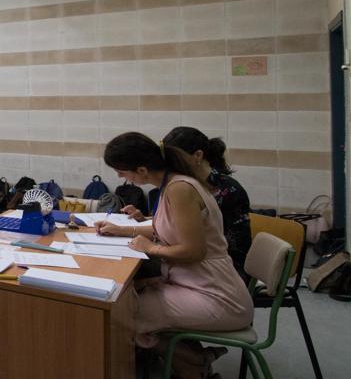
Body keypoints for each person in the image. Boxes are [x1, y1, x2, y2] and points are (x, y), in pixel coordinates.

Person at [95, 132, 253, 378]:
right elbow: (167, 227)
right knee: (130, 296)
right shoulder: (173, 184)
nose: (120, 178)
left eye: (122, 172)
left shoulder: (179, 189)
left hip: (216, 295)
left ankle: (193, 363)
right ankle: (194, 362)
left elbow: (194, 251)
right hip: (198, 283)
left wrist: (150, 248)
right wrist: (122, 230)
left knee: (119, 315)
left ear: (141, 170)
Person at [135, 127, 253, 277]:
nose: (169, 166)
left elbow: (197, 242)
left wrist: (152, 248)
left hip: (222, 268)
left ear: (198, 155)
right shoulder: (184, 183)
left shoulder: (225, 190)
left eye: (175, 158)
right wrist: (143, 220)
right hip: (199, 261)